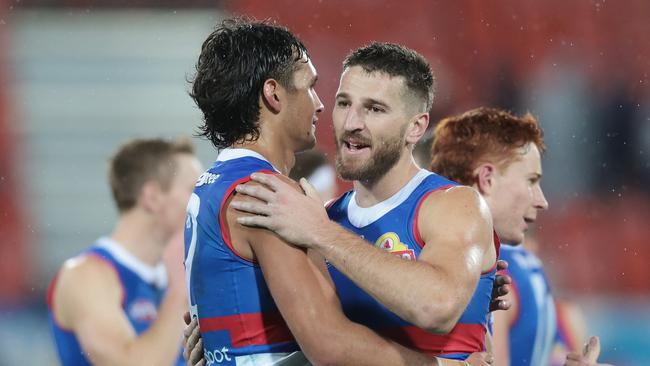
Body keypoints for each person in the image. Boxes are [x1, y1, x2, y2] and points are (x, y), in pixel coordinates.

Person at [184, 19, 496, 366]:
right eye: (343, 103)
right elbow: (328, 344)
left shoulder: (453, 205)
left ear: (416, 127)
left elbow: (437, 306)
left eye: (374, 109)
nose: (350, 122)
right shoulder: (297, 211)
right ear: (273, 95)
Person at [428, 107, 611, 366]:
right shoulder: (501, 274)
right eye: (531, 180)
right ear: (487, 179)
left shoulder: (491, 269)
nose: (543, 201)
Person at [47, 137, 201, 365]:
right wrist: (179, 291)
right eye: (194, 188)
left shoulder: (174, 276)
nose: (203, 199)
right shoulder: (85, 275)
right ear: (152, 197)